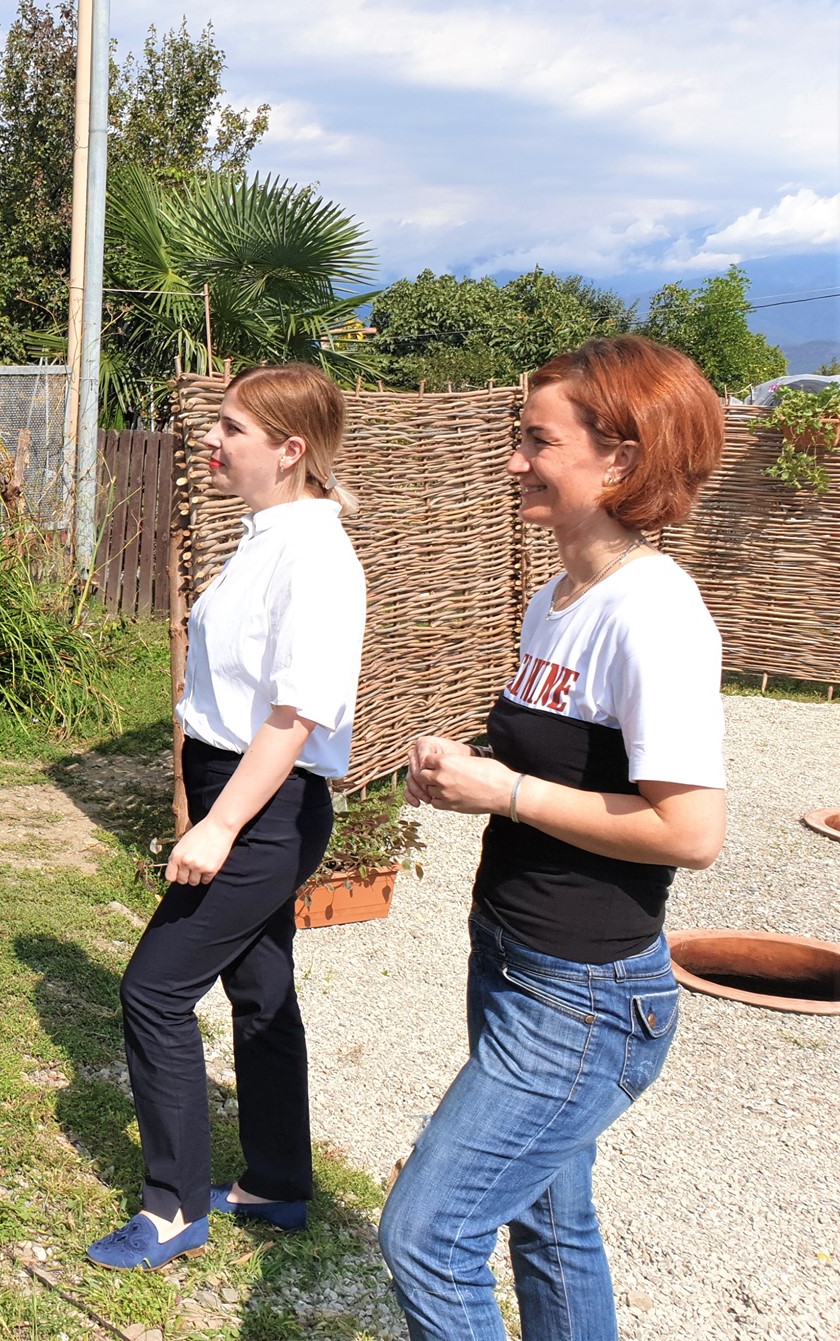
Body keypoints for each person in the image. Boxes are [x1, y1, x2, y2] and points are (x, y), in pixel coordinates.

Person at [379, 336, 727, 1341]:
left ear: (619, 458)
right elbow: (569, 768)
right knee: (548, 1219)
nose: (513, 460)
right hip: (513, 957)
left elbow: (690, 829)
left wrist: (510, 790)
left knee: (425, 1236)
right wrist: (476, 777)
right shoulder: (556, 599)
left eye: (537, 440)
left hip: (581, 998)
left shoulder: (654, 614)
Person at [88, 364, 366, 1273]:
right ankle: (277, 1179)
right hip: (236, 789)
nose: (212, 439)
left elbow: (295, 716)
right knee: (260, 986)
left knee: (155, 988)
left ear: (290, 450)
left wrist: (218, 825)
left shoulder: (316, 557)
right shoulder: (267, 534)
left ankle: (172, 1207)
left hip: (263, 805)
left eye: (233, 427)